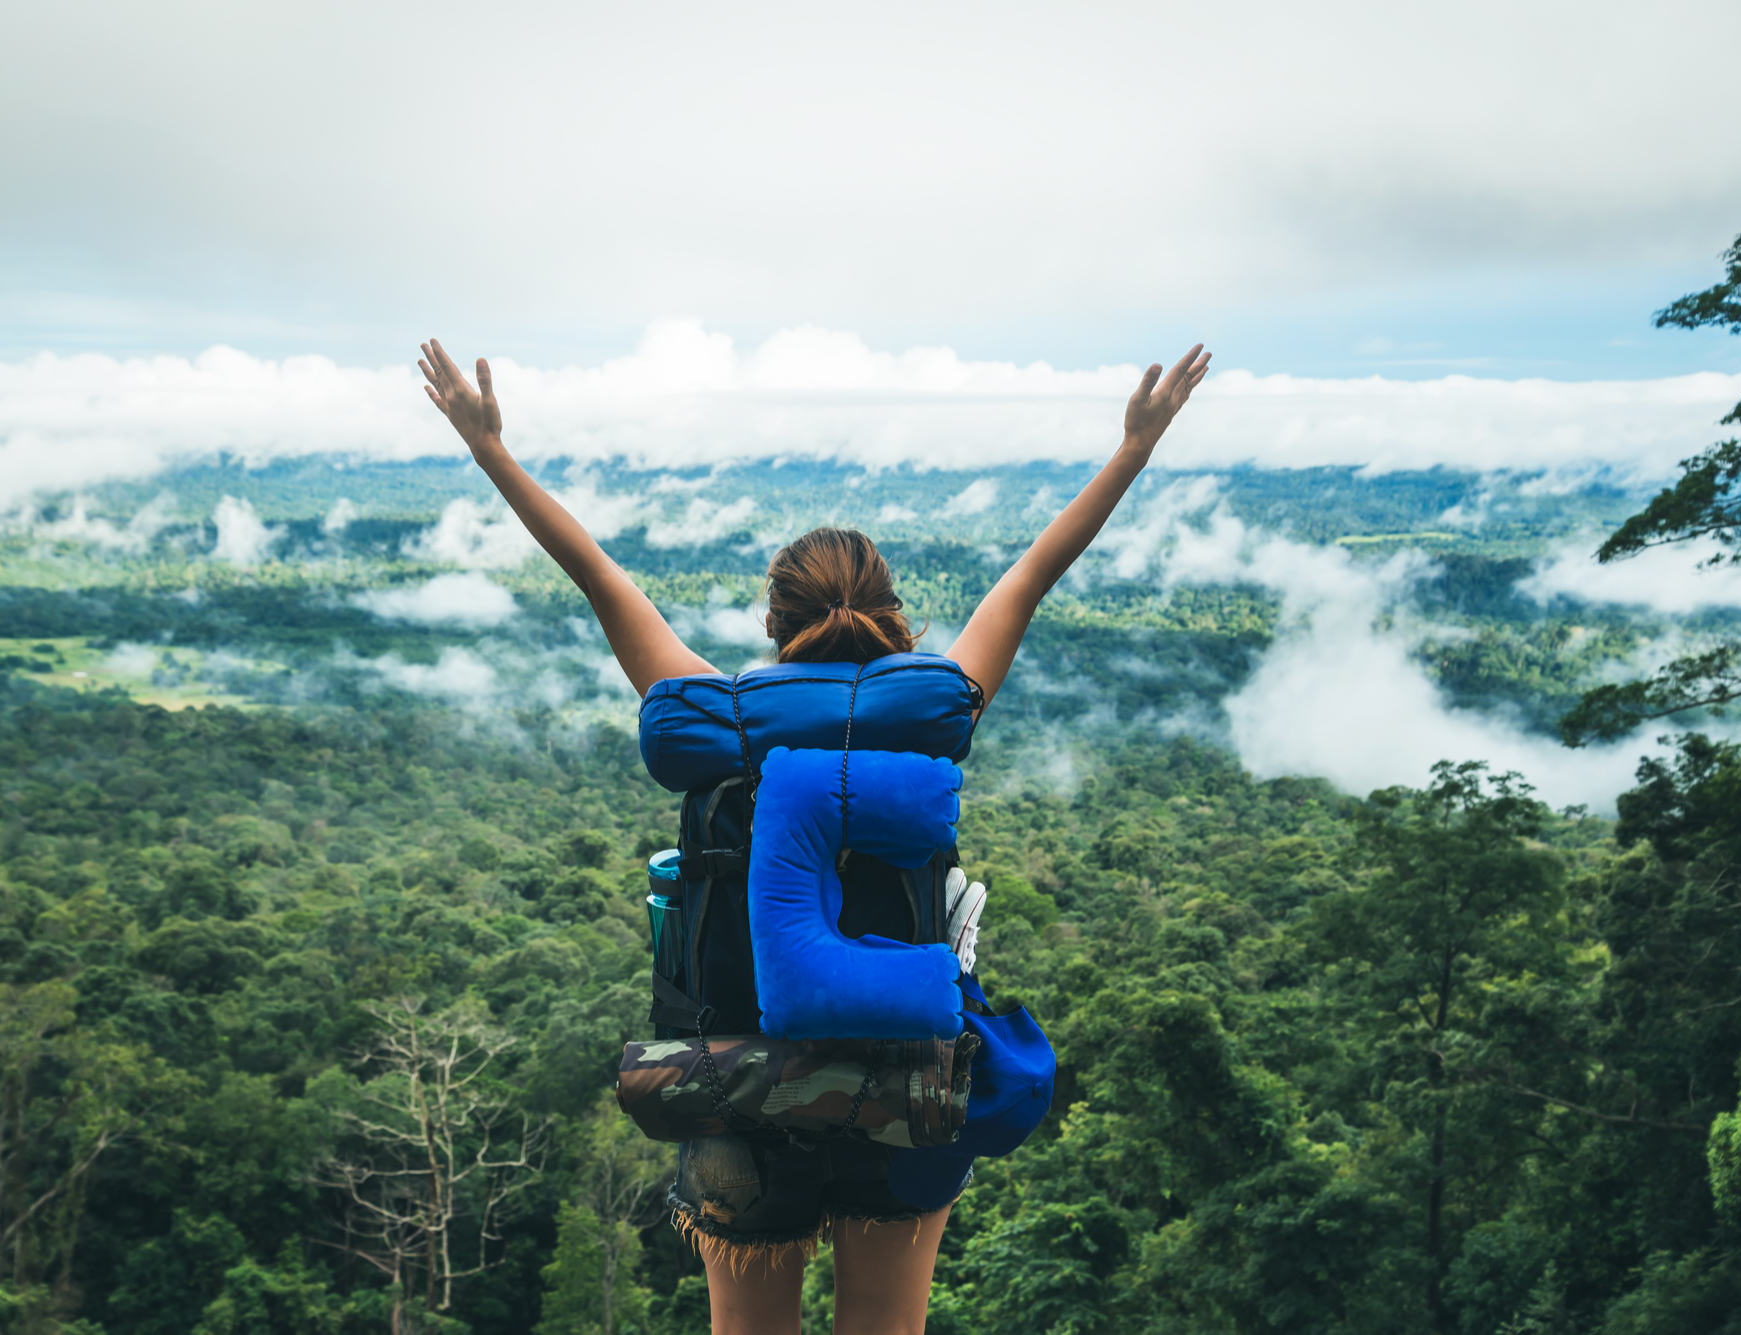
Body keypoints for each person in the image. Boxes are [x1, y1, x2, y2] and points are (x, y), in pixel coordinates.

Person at [418, 337, 1209, 1335]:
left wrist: (492, 452)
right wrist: (1132, 449)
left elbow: (598, 578)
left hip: (736, 1075)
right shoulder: (934, 708)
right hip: (905, 1076)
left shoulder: (717, 721)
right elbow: (1031, 575)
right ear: (891, 616)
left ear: (773, 623)